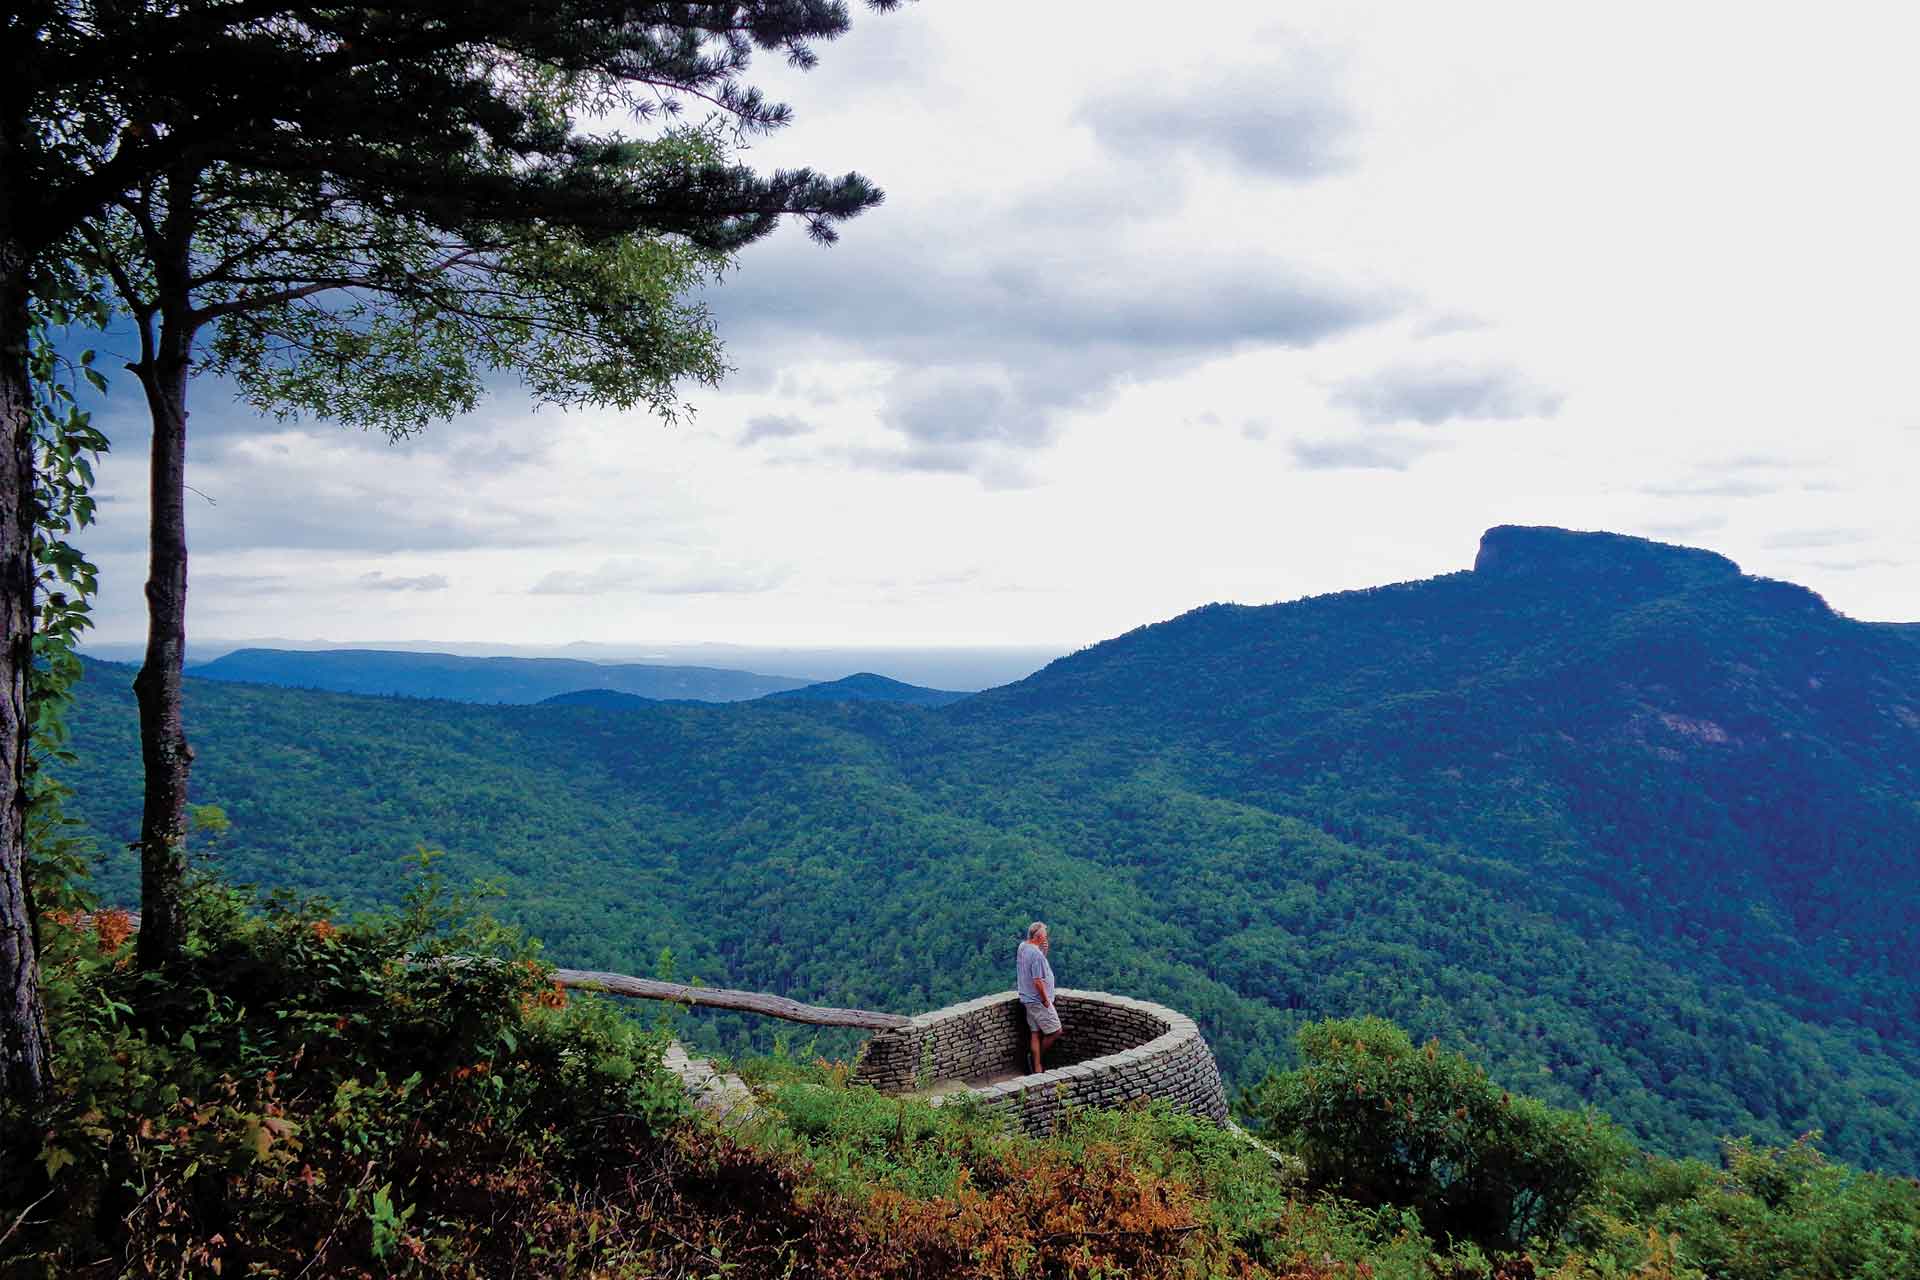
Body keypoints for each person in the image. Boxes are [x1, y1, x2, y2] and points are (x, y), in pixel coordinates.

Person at [1016, 920, 1062, 1073]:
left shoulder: (1023, 947)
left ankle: (1036, 1067)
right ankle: (1038, 1059)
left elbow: (1031, 969)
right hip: (1038, 1001)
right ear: (1039, 937)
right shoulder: (1036, 955)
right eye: (1045, 935)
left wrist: (1043, 953)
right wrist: (1045, 1000)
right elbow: (1037, 981)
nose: (1046, 937)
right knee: (1056, 1031)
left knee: (1035, 1032)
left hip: (1027, 998)